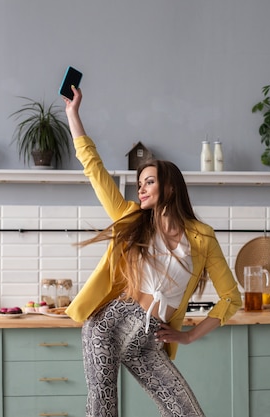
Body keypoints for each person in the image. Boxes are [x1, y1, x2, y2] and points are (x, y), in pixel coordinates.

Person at [63, 85, 242, 417]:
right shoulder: (132, 217)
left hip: (151, 338)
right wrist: (73, 115)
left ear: (169, 187)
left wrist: (187, 336)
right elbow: (95, 171)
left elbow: (231, 298)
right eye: (140, 182)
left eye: (149, 181)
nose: (141, 188)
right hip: (108, 325)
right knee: (103, 412)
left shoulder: (202, 238)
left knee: (187, 414)